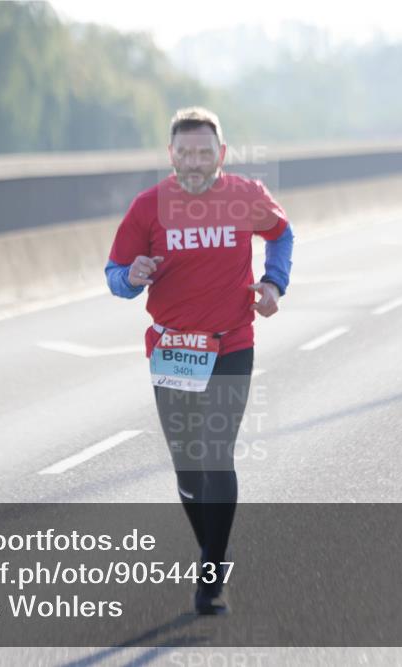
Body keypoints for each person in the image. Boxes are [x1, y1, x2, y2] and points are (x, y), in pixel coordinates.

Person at [104, 107, 294, 615]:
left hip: (230, 342)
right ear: (171, 155)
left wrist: (275, 283)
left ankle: (210, 577)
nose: (194, 162)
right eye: (185, 153)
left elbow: (281, 233)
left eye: (204, 153)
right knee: (188, 469)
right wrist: (133, 275)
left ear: (221, 155)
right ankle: (215, 543)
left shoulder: (244, 196)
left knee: (216, 455)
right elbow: (114, 273)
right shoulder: (149, 207)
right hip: (172, 349)